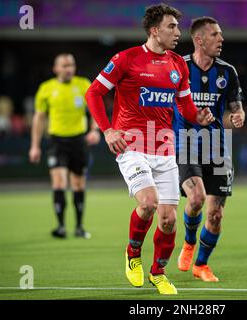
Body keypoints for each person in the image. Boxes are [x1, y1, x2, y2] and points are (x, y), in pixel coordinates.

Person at [85, 4, 215, 294]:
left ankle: (158, 272)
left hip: (165, 148)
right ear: (155, 30)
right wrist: (107, 129)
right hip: (131, 146)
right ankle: (133, 254)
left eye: (178, 28)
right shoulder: (126, 59)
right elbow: (93, 92)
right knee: (148, 203)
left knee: (168, 220)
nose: (178, 32)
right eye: (172, 27)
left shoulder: (178, 65)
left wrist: (199, 116)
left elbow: (185, 106)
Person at [172, 17, 245, 282]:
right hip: (185, 143)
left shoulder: (228, 71)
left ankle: (201, 265)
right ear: (199, 40)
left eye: (221, 34)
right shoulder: (178, 67)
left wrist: (239, 116)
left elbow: (236, 105)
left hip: (217, 147)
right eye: (215, 34)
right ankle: (189, 243)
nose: (221, 39)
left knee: (215, 214)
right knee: (196, 199)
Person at [29, 53, 100, 239]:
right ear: (56, 69)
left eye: (72, 65)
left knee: (78, 184)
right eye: (65, 65)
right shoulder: (46, 88)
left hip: (79, 141)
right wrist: (35, 146)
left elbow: (95, 110)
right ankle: (60, 226)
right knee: (59, 182)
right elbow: (39, 118)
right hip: (56, 141)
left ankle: (79, 227)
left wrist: (95, 130)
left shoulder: (84, 84)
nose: (69, 68)